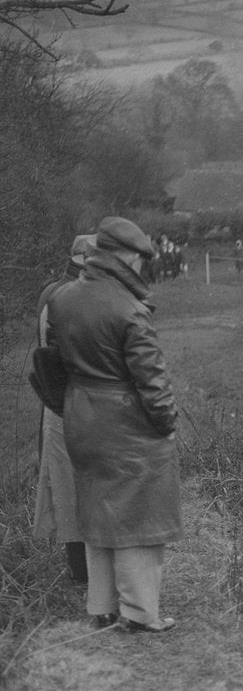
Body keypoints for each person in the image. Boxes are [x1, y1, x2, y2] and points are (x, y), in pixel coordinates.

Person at [48, 216, 181, 633]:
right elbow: (152, 381)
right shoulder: (129, 309)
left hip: (80, 414)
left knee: (98, 508)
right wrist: (166, 425)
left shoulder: (63, 297)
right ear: (126, 257)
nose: (142, 267)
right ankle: (141, 613)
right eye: (140, 259)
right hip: (125, 421)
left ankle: (101, 606)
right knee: (140, 515)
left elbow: (51, 361)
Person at [33, 234, 96, 583]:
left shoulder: (50, 291)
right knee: (79, 490)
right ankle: (86, 577)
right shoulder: (71, 297)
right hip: (74, 403)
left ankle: (80, 574)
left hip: (55, 403)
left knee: (67, 491)